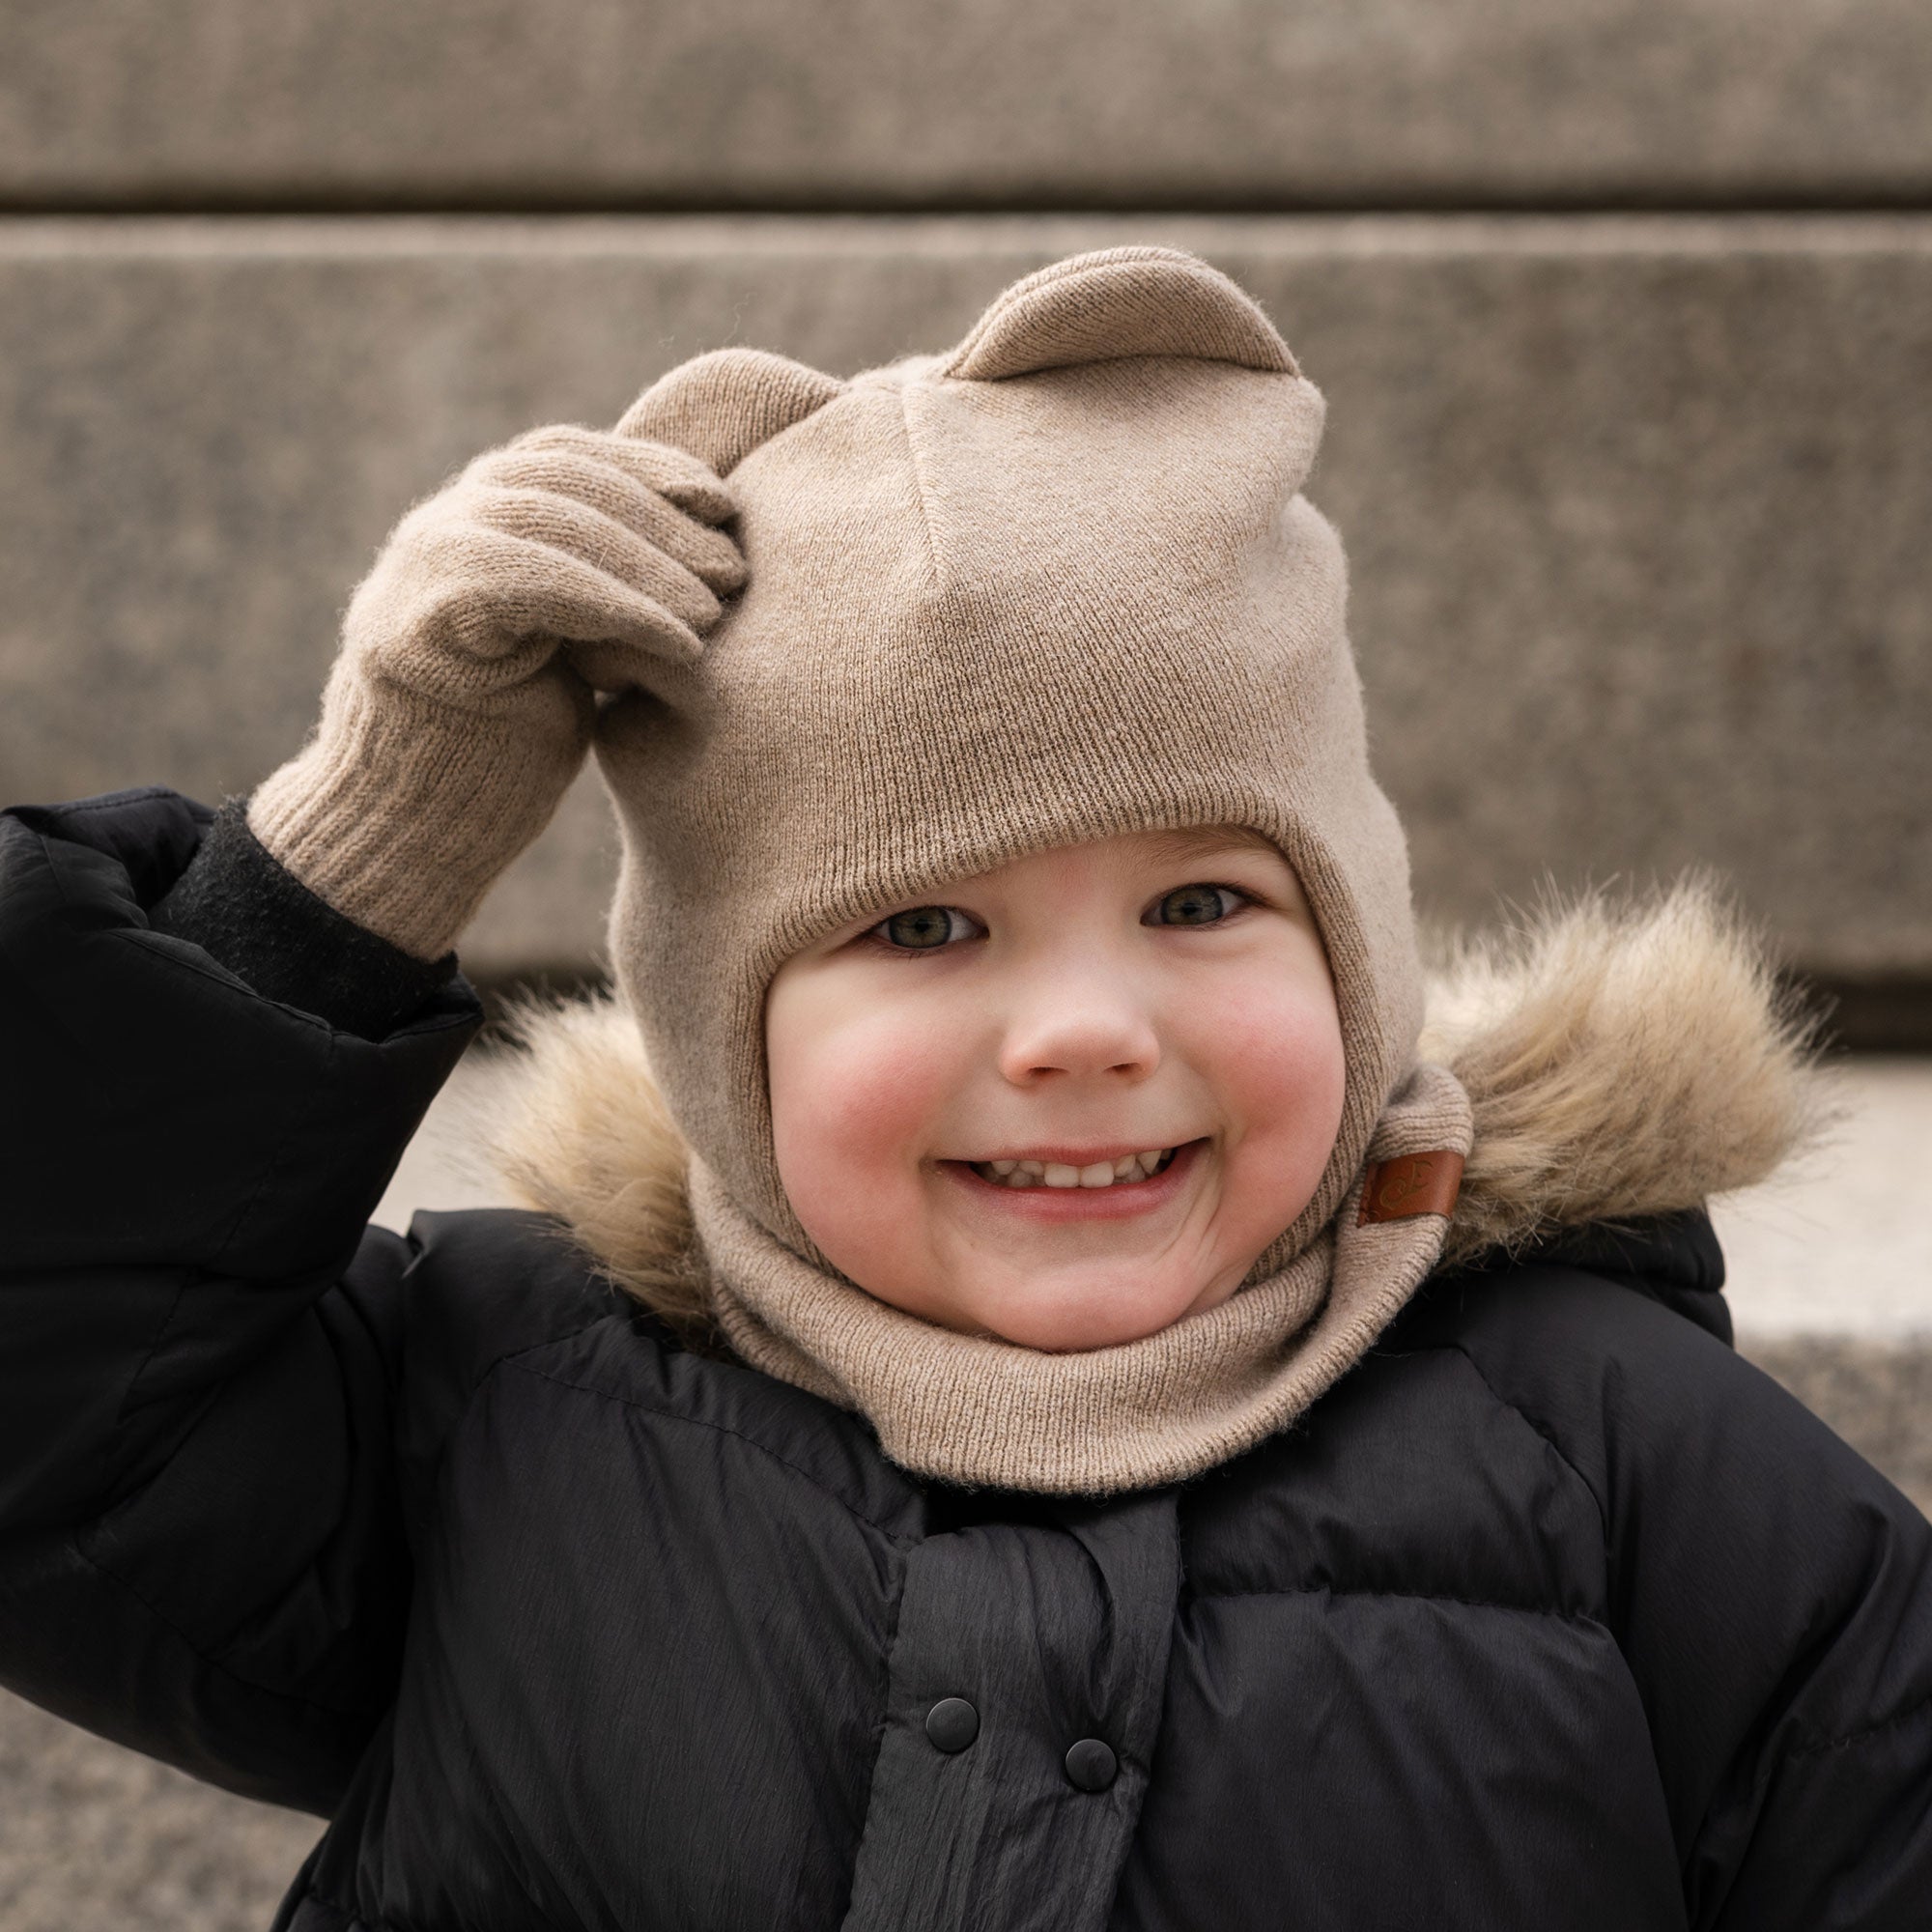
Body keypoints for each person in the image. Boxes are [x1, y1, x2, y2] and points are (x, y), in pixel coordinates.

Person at [1, 246, 1926, 1931]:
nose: (1079, 1029)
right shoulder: (496, 1410)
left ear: (1360, 950)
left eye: (1200, 899)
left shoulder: (1628, 1456)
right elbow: (57, 1405)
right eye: (921, 929)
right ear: (721, 1031)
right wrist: (354, 856)